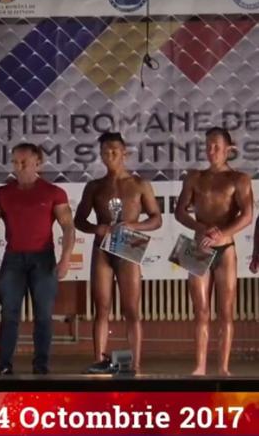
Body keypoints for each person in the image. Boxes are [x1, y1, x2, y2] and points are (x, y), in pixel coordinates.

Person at [0, 143, 75, 374]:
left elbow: (68, 227)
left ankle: (41, 365)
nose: (18, 167)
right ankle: (4, 364)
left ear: (37, 163)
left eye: (24, 162)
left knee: (43, 315)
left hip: (43, 259)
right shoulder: (1, 194)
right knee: (9, 313)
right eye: (15, 162)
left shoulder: (54, 192)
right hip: (13, 259)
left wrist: (66, 258)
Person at [74, 132, 162, 374]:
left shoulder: (139, 184)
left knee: (131, 309)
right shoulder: (94, 186)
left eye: (114, 151)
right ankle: (99, 361)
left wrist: (134, 225)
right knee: (101, 307)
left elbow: (156, 219)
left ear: (125, 153)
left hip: (128, 244)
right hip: (102, 247)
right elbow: (79, 220)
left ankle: (135, 364)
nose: (109, 155)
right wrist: (97, 228)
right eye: (105, 152)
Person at [174, 127, 253, 376]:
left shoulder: (239, 179)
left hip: (225, 249)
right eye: (208, 145)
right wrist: (202, 228)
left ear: (229, 149)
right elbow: (179, 212)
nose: (211, 150)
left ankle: (223, 367)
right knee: (200, 311)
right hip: (197, 247)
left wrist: (221, 233)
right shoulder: (194, 177)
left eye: (217, 146)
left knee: (226, 312)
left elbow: (247, 215)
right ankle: (199, 366)